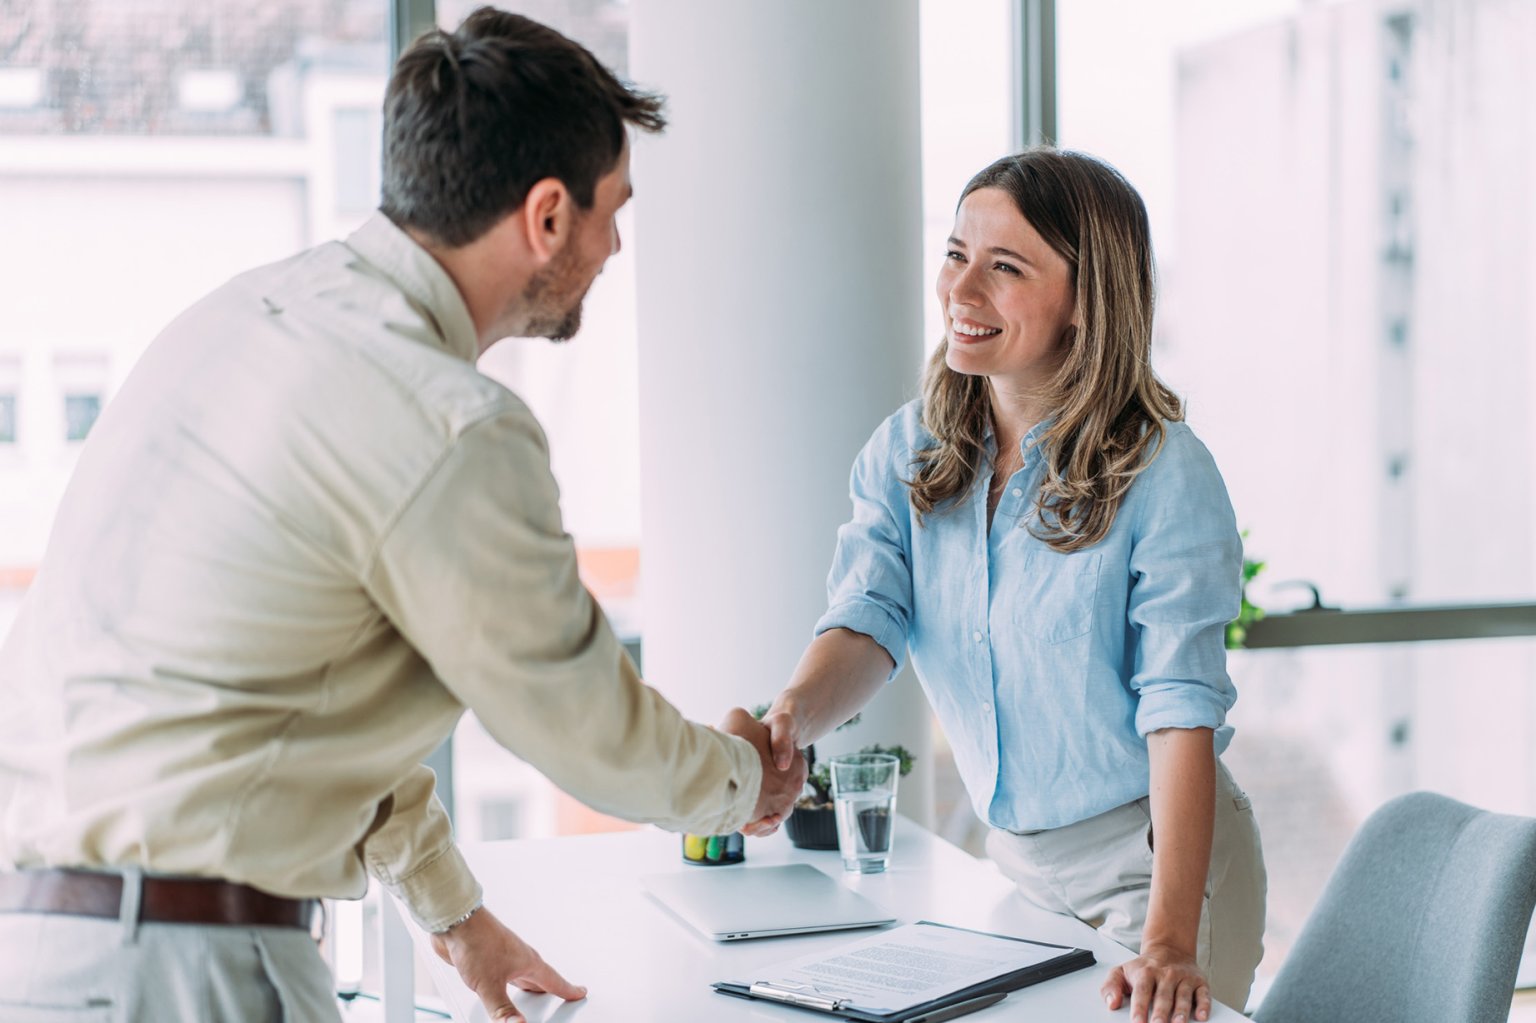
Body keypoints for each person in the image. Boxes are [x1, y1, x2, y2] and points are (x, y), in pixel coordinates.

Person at [0, 9, 804, 1023]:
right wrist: (748, 785)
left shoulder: (245, 320)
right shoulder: (446, 423)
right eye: (612, 211)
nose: (613, 247)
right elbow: (584, 725)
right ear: (546, 215)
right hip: (185, 969)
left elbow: (303, 706)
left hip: (48, 955)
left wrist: (458, 921)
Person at [757, 149, 1266, 1023]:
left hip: (1160, 873)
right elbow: (870, 617)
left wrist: (1171, 942)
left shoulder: (1166, 474)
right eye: (957, 254)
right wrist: (788, 722)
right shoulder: (908, 450)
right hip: (1021, 871)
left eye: (1006, 267)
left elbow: (1180, 709)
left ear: (1086, 299)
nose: (962, 291)